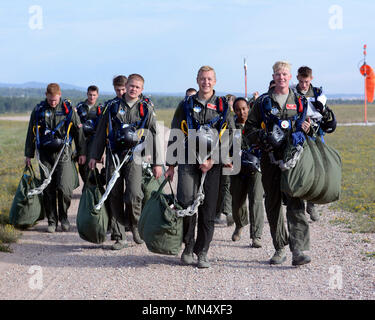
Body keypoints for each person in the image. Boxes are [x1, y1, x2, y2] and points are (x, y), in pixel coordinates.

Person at [165, 65, 235, 268]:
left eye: (209, 79)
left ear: (215, 81)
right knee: (186, 202)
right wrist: (171, 164)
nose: (206, 82)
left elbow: (230, 134)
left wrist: (214, 160)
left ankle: (202, 251)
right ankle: (188, 247)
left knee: (208, 209)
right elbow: (175, 132)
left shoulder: (222, 106)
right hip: (188, 160)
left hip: (212, 163)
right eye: (203, 79)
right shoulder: (186, 104)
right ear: (197, 80)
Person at [245, 61, 312, 266]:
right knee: (273, 203)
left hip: (293, 159)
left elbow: (309, 127)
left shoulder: (299, 101)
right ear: (273, 76)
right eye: (278, 74)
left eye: (284, 74)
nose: (281, 77)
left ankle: (299, 249)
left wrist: (307, 128)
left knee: (296, 202)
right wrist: (263, 137)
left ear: (290, 77)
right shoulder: (263, 102)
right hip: (270, 159)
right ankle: (279, 248)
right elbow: (248, 129)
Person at [89, 74, 162, 250]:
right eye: (131, 86)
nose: (133, 89)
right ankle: (120, 235)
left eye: (137, 87)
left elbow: (154, 135)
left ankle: (135, 225)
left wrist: (157, 163)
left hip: (135, 156)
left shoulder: (145, 109)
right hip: (114, 155)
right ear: (126, 86)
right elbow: (100, 133)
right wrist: (94, 155)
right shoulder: (112, 107)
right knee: (113, 194)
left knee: (134, 194)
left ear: (141, 89)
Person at [25, 83, 86, 233]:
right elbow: (31, 133)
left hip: (63, 154)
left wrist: (82, 152)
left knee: (64, 188)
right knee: (49, 189)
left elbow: (79, 133)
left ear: (60, 95)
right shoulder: (39, 110)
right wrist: (28, 154)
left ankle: (64, 217)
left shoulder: (68, 109)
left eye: (55, 99)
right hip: (45, 156)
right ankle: (52, 220)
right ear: (46, 95)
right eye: (51, 99)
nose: (53, 102)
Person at [295, 66, 337, 222]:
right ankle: (297, 204)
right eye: (301, 81)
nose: (303, 85)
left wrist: (323, 111)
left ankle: (311, 204)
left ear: (311, 79)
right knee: (299, 169)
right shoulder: (292, 93)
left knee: (318, 169)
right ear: (297, 78)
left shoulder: (318, 93)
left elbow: (325, 115)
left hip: (316, 135)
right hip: (298, 135)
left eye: (306, 82)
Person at [230, 97, 264, 248]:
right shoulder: (231, 126)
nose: (241, 112)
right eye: (238, 109)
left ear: (248, 108)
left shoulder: (256, 124)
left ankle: (256, 236)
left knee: (256, 201)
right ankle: (240, 224)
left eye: (244, 108)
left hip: (256, 168)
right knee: (237, 202)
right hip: (237, 167)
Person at [75, 85, 103, 183]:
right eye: (90, 95)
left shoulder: (100, 108)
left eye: (94, 95)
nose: (92, 97)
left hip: (94, 140)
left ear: (97, 95)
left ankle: (90, 188)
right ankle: (88, 185)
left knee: (89, 164)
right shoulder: (80, 107)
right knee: (81, 165)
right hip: (81, 139)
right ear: (87, 94)